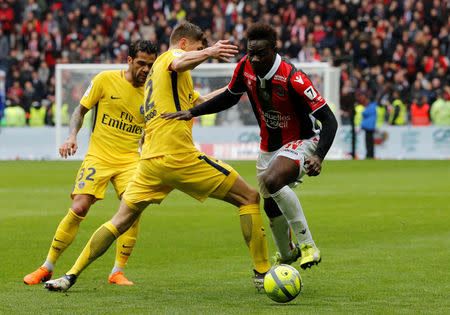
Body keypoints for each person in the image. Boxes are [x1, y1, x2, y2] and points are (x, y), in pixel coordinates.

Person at [44, 22, 271, 292]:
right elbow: (179, 60)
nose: (199, 55)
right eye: (197, 48)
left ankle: (69, 276)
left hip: (149, 163)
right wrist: (209, 52)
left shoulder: (164, 79)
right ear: (185, 44)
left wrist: (239, 84)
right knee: (249, 198)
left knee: (120, 219)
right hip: (177, 155)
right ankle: (262, 273)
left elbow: (200, 104)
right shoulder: (170, 58)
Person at [162, 22, 338, 270]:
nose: (253, 58)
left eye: (260, 53)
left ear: (274, 50)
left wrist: (319, 156)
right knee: (269, 201)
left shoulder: (294, 78)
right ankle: (287, 254)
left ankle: (308, 245)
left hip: (302, 140)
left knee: (272, 180)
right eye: (250, 52)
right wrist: (193, 112)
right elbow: (229, 97)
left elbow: (329, 120)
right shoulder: (244, 67)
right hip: (268, 145)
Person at [24, 40, 158, 286]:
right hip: (99, 155)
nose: (146, 69)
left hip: (130, 160)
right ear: (129, 60)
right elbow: (80, 110)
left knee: (133, 208)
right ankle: (47, 266)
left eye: (150, 65)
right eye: (141, 63)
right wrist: (71, 136)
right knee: (79, 208)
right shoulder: (105, 80)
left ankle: (117, 271)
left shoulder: (153, 91)